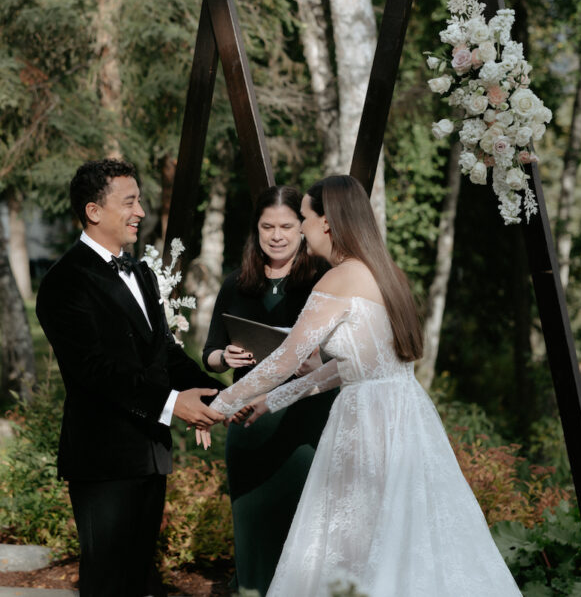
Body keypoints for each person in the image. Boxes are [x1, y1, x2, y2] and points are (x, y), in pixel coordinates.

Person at [206, 175, 521, 596]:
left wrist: (219, 404)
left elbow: (286, 359)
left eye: (303, 218)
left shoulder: (338, 280)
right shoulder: (388, 274)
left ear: (328, 223)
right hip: (404, 413)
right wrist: (272, 400)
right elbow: (346, 368)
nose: (299, 228)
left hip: (367, 421)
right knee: (404, 533)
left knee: (354, 537)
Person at [35, 159, 225, 597]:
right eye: (130, 201)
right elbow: (93, 372)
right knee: (106, 582)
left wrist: (223, 396)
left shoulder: (140, 271)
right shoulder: (64, 281)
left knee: (141, 579)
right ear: (94, 211)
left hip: (149, 453)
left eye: (139, 200)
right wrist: (174, 404)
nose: (140, 211)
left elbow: (163, 353)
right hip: (103, 459)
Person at [202, 185, 334, 596]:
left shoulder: (323, 280)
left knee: (299, 525)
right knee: (251, 527)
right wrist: (226, 357)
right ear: (255, 230)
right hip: (247, 424)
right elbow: (209, 353)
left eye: (286, 226)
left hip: (303, 421)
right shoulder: (235, 284)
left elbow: (342, 355)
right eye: (267, 227)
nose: (276, 235)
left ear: (302, 228)